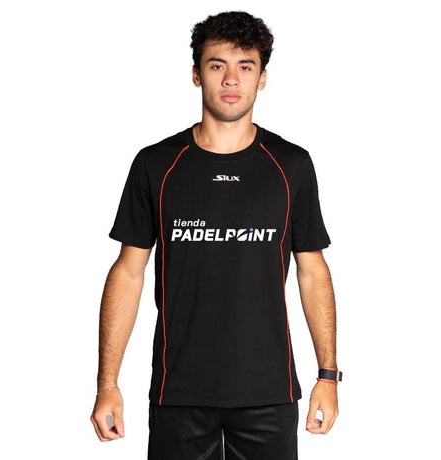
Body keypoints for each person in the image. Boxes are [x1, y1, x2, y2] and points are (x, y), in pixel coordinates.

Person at [90, 10, 341, 459]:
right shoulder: (156, 165)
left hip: (268, 392)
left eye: (245, 66)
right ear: (196, 74)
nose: (231, 79)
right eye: (217, 65)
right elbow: (128, 273)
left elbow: (312, 271)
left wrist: (328, 375)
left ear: (262, 78)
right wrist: (107, 383)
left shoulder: (291, 166)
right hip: (178, 393)